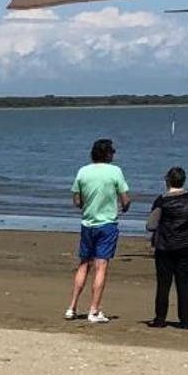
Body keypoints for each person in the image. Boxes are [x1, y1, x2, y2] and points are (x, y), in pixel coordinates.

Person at [66, 137, 130, 323]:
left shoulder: (83, 171)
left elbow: (77, 200)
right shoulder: (115, 171)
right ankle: (94, 309)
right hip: (107, 223)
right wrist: (124, 207)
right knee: (101, 266)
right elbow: (125, 199)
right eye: (112, 152)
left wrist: (87, 205)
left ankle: (72, 306)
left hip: (88, 223)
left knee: (84, 264)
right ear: (107, 154)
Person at [146, 166, 188, 328]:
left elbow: (150, 225)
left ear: (168, 180)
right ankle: (185, 320)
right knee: (184, 284)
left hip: (165, 247)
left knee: (163, 284)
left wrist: (165, 223)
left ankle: (160, 319)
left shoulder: (163, 200)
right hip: (186, 246)